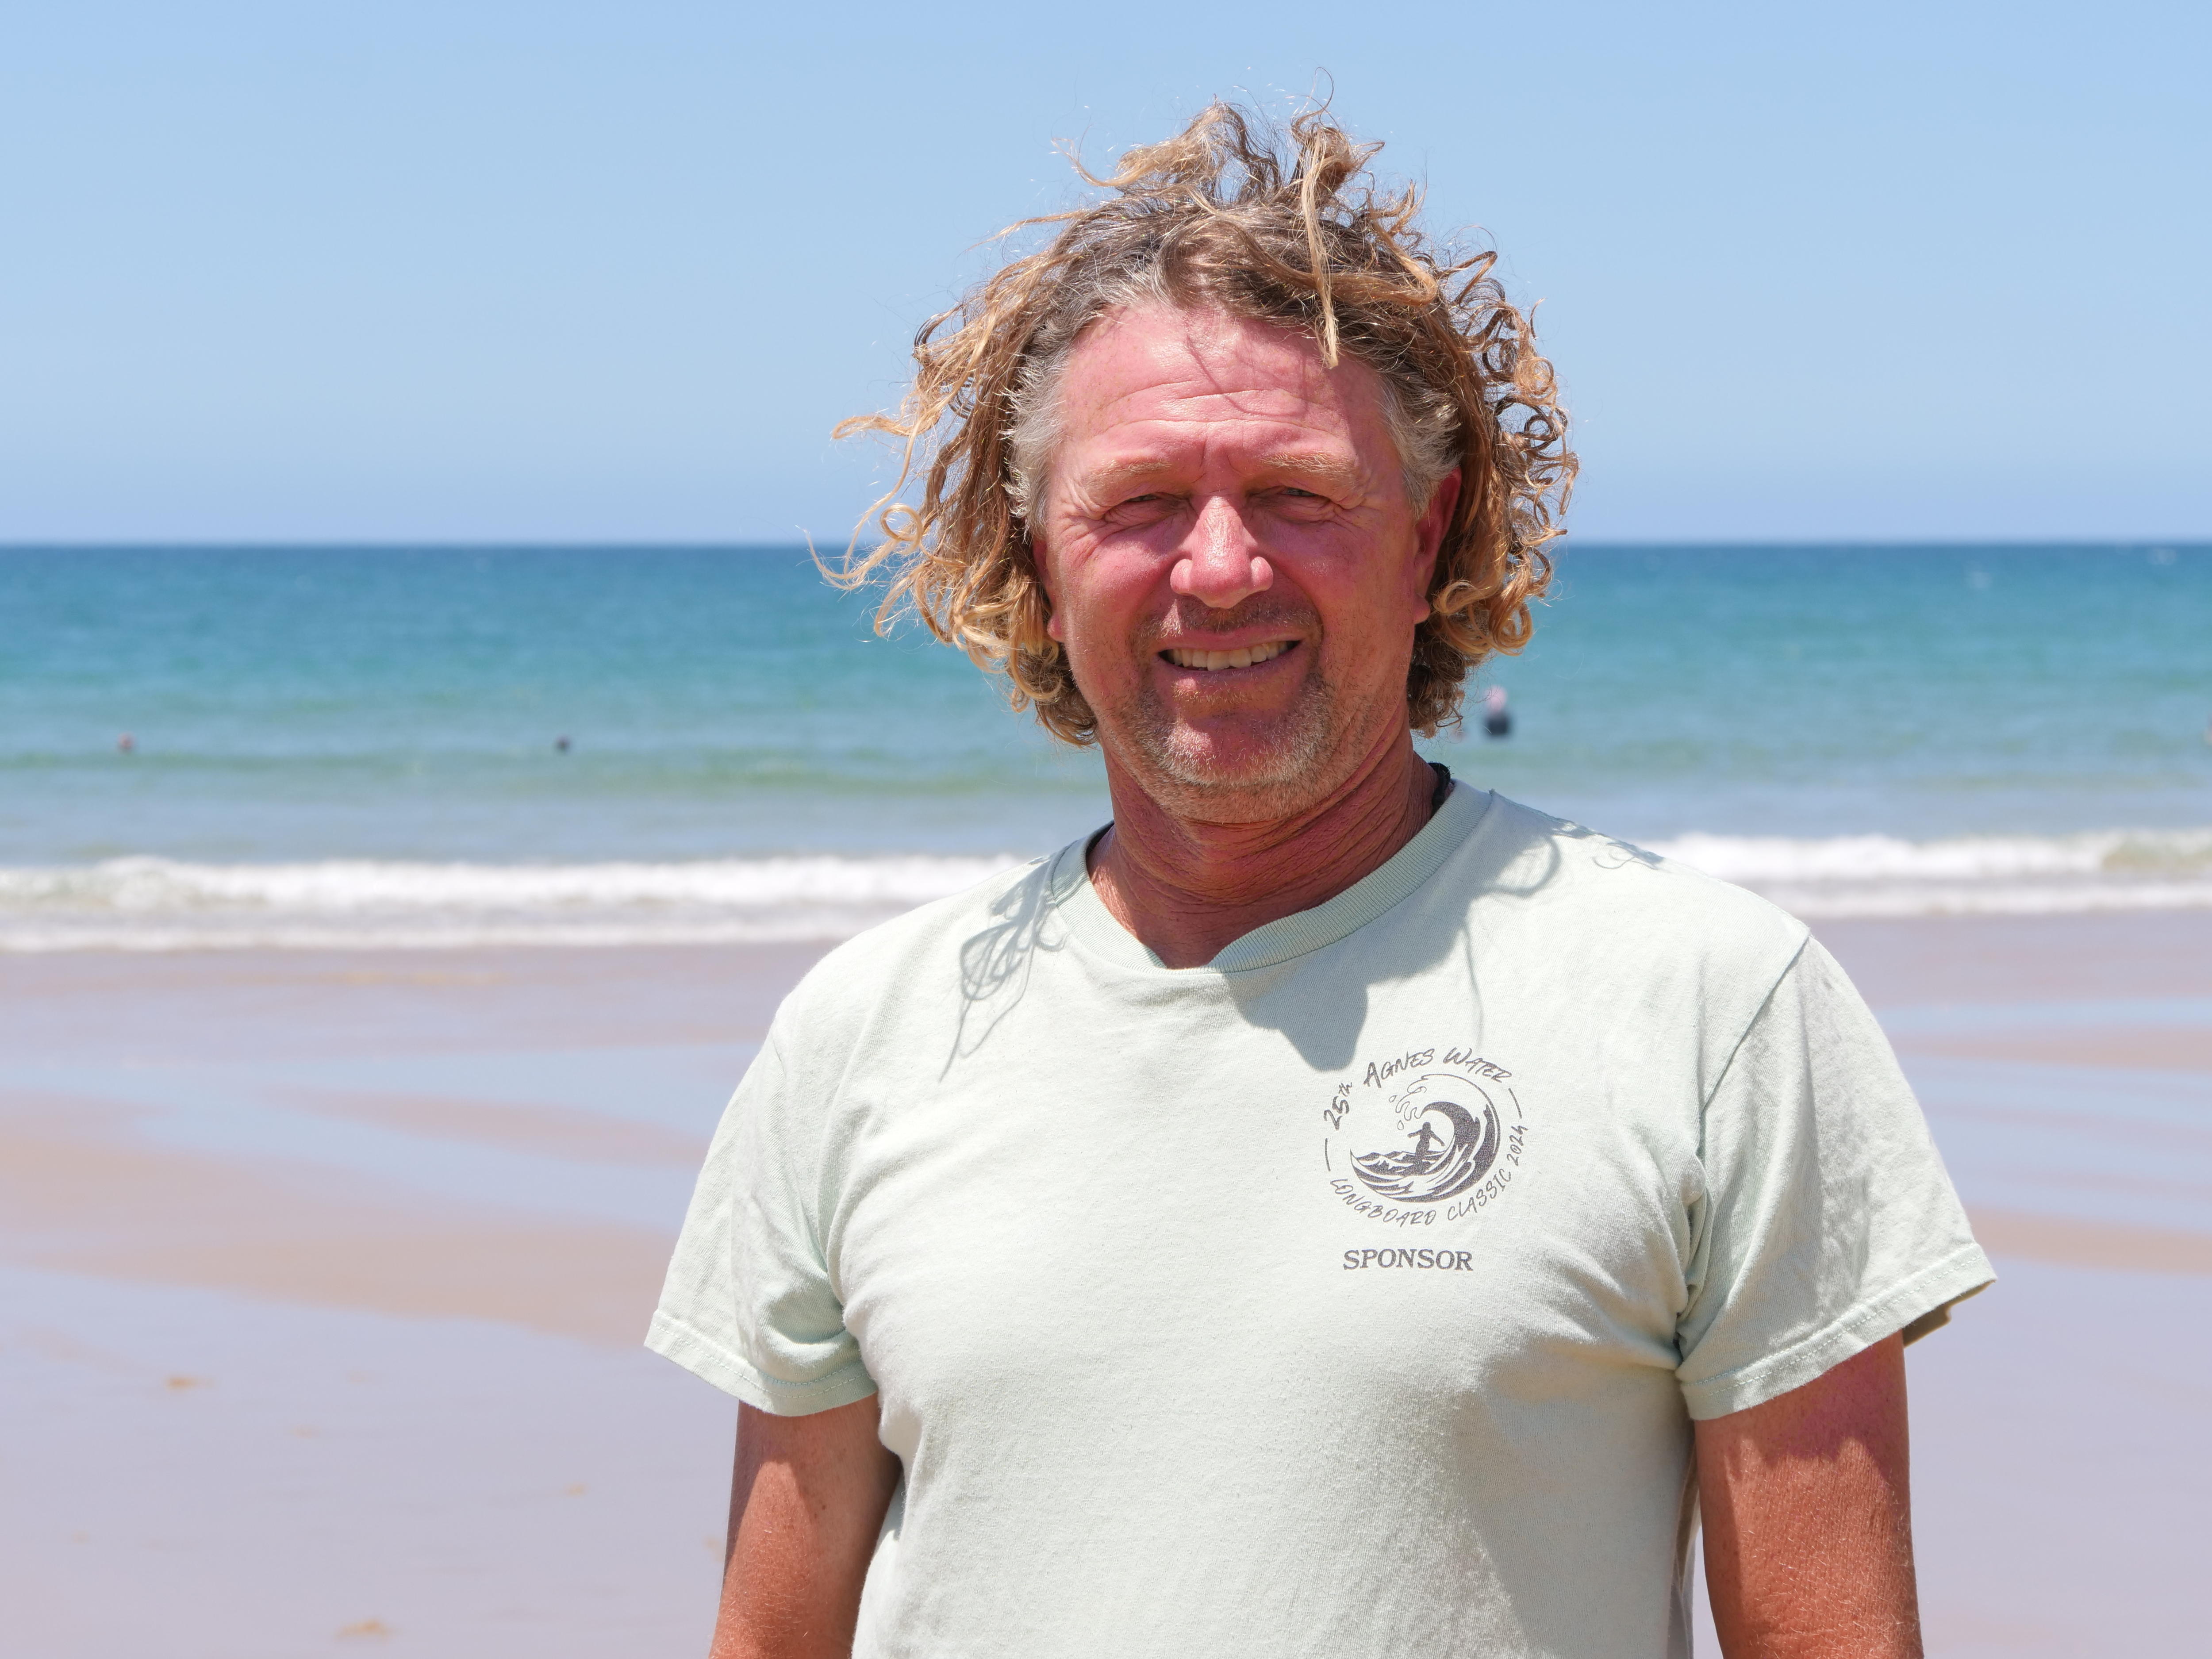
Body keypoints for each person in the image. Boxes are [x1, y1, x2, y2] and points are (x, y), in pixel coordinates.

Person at [649, 103, 1990, 1659]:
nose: (1220, 568)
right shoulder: (862, 1035)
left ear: (1428, 537)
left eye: (1298, 493)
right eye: (1142, 501)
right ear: (1035, 559)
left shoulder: (1711, 1004)